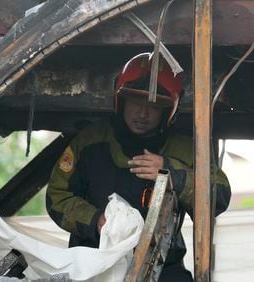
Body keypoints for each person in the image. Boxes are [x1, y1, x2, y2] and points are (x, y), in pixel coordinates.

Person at [46, 52, 231, 281]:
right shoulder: (89, 141)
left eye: (154, 106)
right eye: (135, 102)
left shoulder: (185, 150)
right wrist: (96, 221)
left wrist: (173, 174)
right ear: (120, 100)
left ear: (169, 109)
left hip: (163, 268)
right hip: (95, 262)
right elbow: (57, 197)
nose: (142, 113)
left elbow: (220, 196)